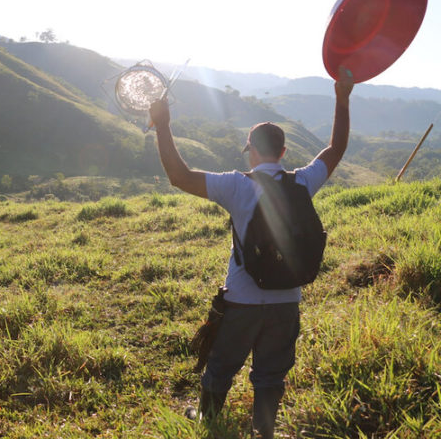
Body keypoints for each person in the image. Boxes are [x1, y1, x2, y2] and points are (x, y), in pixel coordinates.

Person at [148, 69, 354, 438]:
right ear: (284, 152)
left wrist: (163, 125)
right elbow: (336, 149)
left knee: (221, 365)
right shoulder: (303, 182)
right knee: (271, 374)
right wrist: (342, 97)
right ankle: (265, 430)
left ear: (252, 151)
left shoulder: (236, 186)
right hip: (287, 300)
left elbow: (178, 175)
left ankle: (208, 423)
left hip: (242, 301)